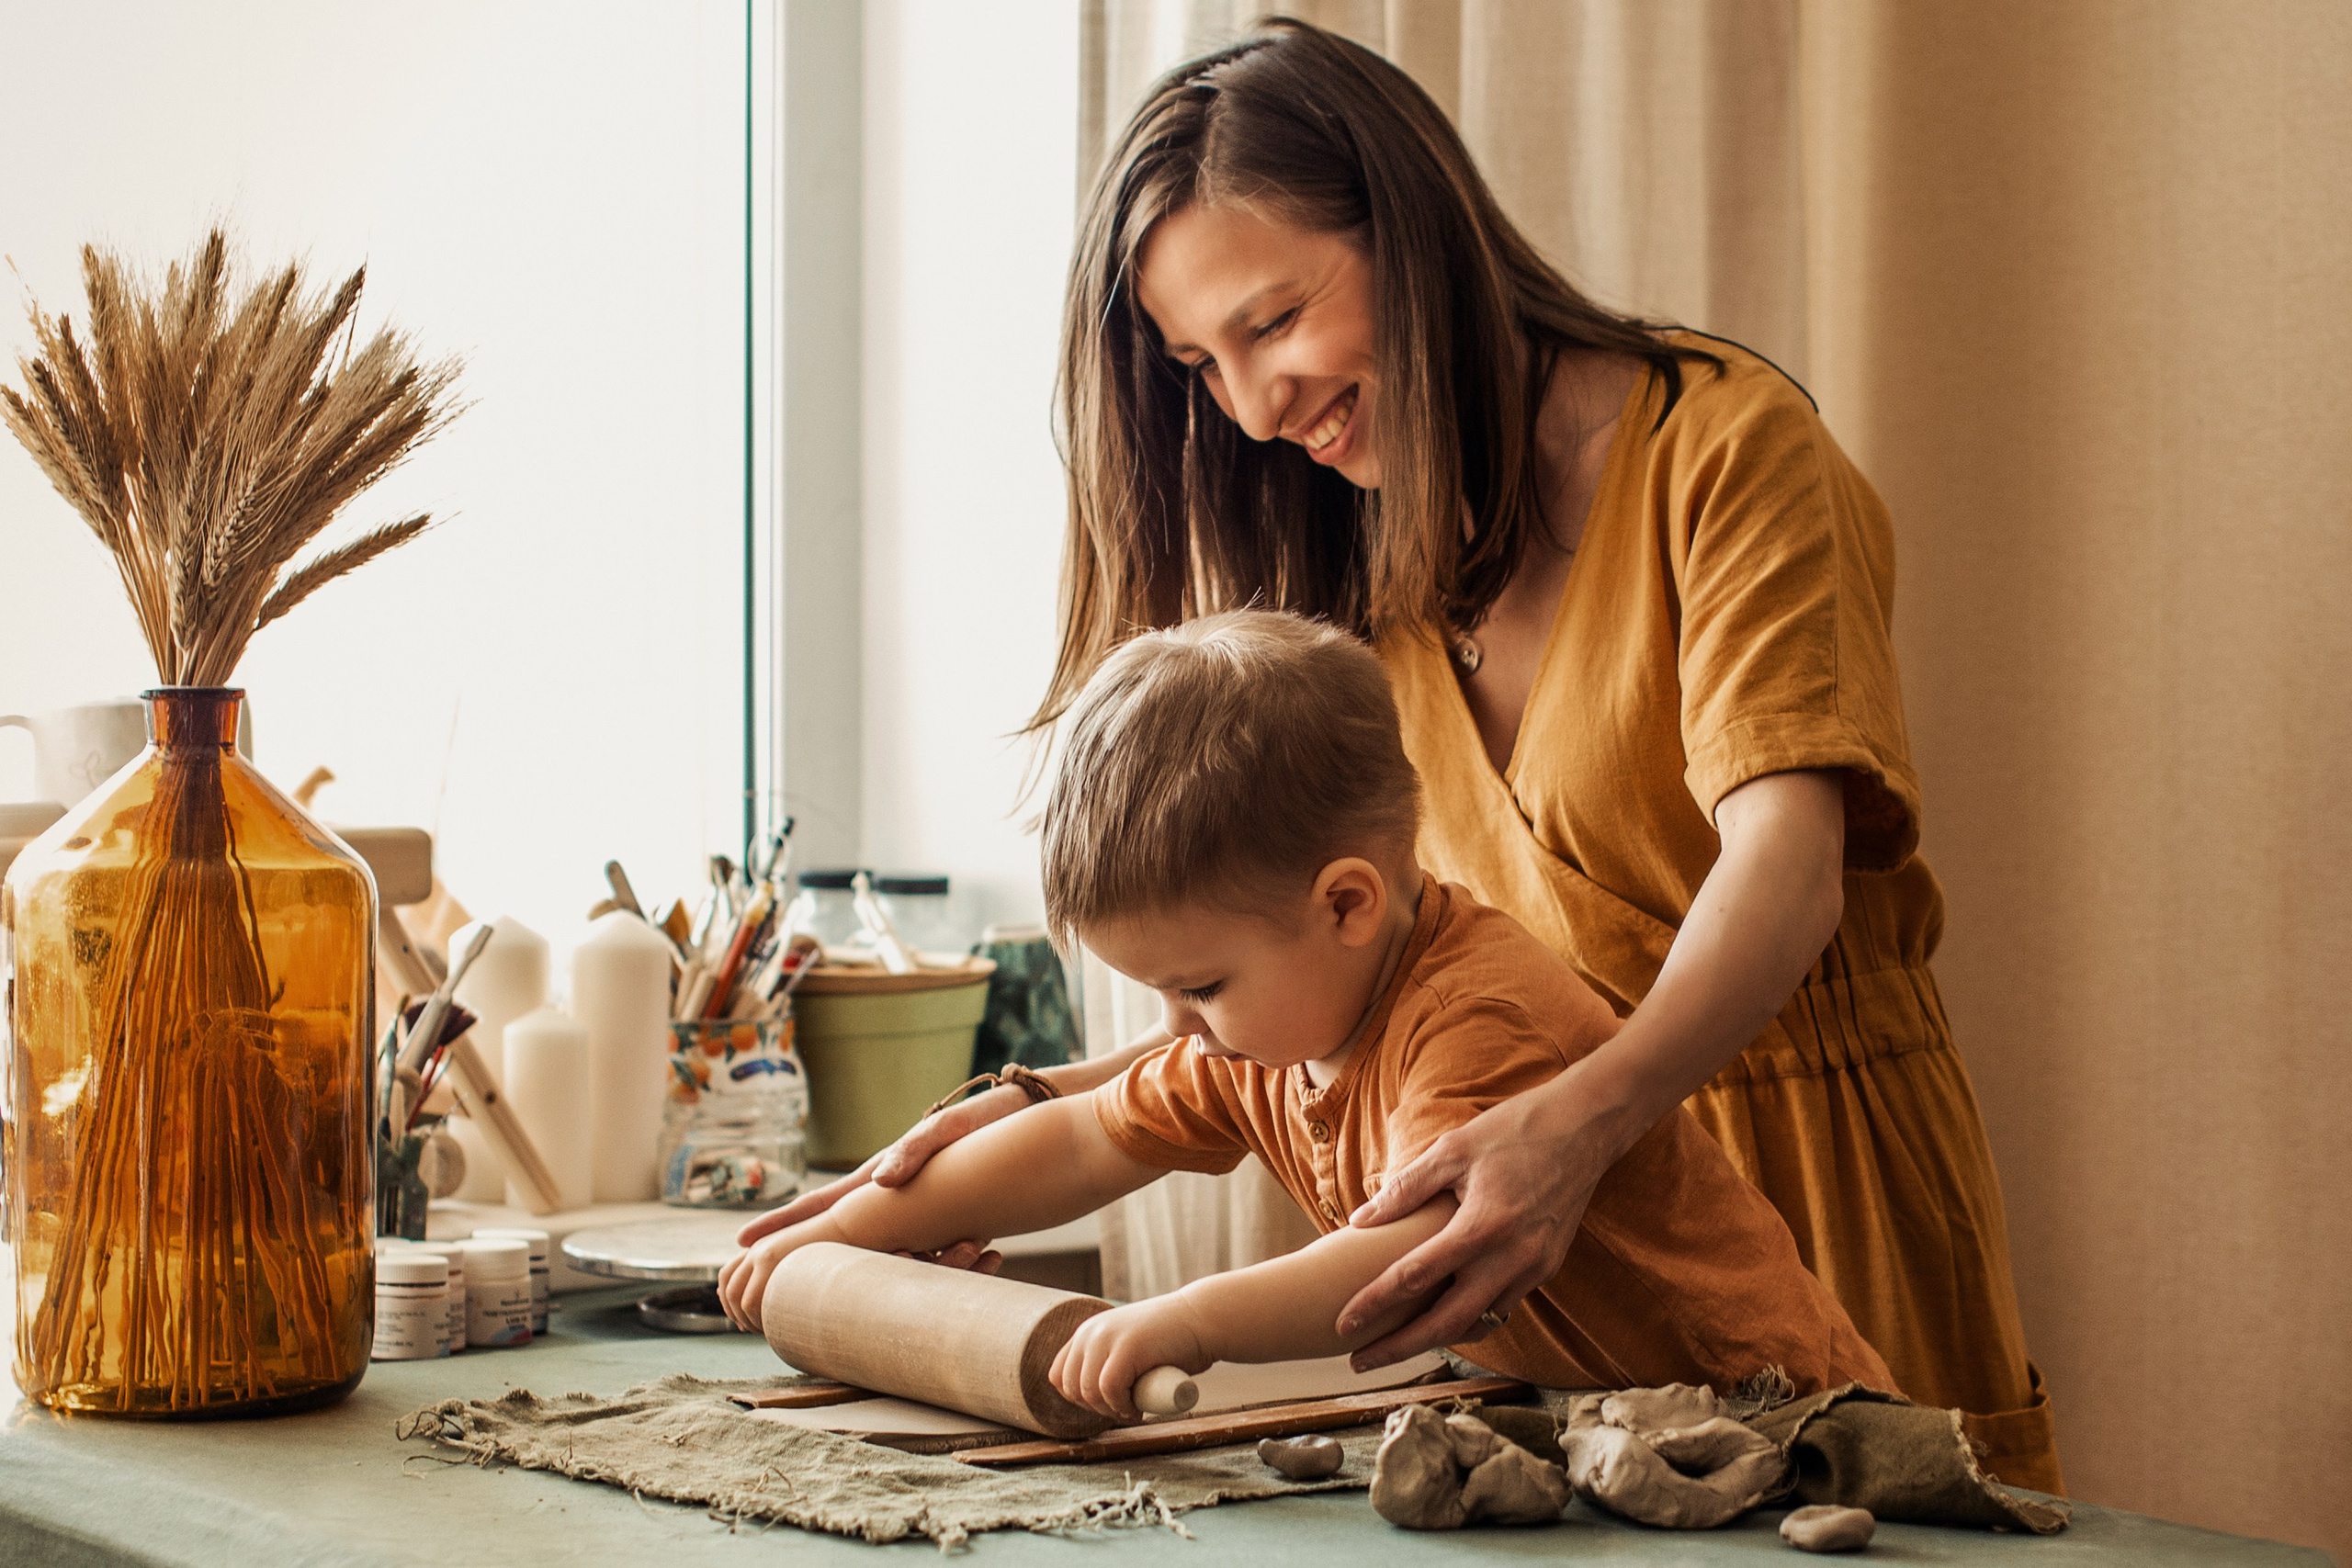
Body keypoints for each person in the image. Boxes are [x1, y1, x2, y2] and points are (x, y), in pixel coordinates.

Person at [755, 19, 2061, 1492]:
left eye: (1271, 322)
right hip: (1551, 1285)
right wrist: (1027, 1102)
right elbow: (1290, 969)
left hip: (1812, 1188)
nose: (1253, 407)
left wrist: (1578, 1127)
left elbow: (1789, 867)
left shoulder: (1726, 451)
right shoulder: (1355, 567)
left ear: (1414, 231)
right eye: (1199, 364)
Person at [723, 612, 1892, 1416]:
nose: (1177, 1028)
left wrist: (1192, 1320)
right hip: (1604, 1425)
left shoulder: (1472, 1015)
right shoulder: (1265, 1031)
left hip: (1778, 1421)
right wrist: (835, 1237)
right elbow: (1080, 1139)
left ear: (1345, 904)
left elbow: (1411, 1252)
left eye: (1199, 986)